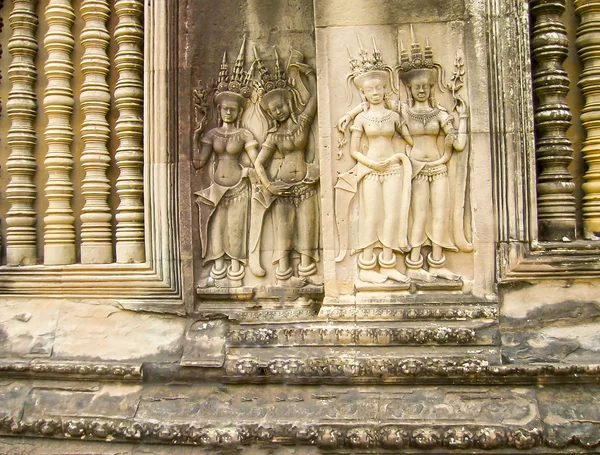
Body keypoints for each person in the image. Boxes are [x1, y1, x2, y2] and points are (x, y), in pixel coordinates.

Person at [335, 40, 413, 284]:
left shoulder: (393, 116)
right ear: (364, 94)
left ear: (384, 89)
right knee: (371, 216)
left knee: (391, 214)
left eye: (379, 88)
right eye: (371, 90)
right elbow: (354, 150)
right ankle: (367, 264)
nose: (376, 92)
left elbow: (410, 140)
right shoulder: (362, 119)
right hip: (369, 169)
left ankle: (388, 262)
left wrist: (399, 157)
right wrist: (370, 163)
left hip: (392, 167)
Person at [397, 40, 470, 281]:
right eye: (417, 86)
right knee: (419, 215)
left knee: (439, 215)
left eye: (426, 86)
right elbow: (373, 104)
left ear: (431, 88)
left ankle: (437, 262)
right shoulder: (404, 112)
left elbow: (458, 144)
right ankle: (414, 264)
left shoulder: (441, 114)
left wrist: (465, 117)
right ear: (409, 87)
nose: (422, 90)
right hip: (417, 168)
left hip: (439, 168)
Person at [252, 52, 319, 287]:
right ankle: (284, 277)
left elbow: (314, 98)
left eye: (279, 106)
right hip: (282, 190)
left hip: (305, 185)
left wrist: (307, 72)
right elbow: (259, 163)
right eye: (272, 111)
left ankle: (308, 273)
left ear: (288, 103)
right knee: (283, 235)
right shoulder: (273, 135)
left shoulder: (302, 123)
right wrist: (269, 185)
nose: (277, 112)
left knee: (308, 231)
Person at [193, 43, 258, 288]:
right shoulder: (212, 134)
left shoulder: (244, 135)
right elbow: (199, 163)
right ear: (218, 110)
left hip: (239, 188)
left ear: (240, 111)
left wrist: (257, 175)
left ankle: (236, 271)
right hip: (217, 188)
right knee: (216, 230)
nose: (228, 112)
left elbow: (255, 161)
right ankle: (217, 270)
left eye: (233, 109)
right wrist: (195, 135)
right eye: (224, 108)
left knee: (236, 230)